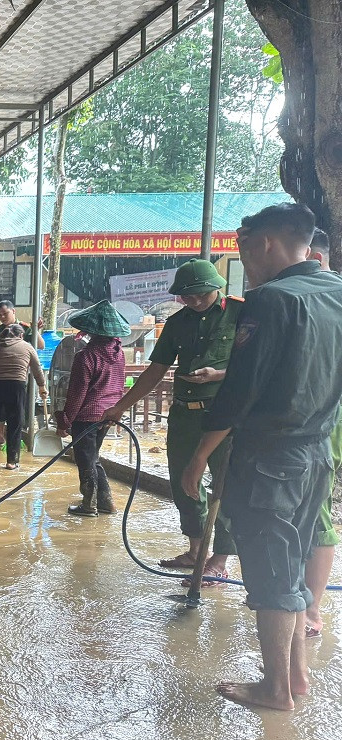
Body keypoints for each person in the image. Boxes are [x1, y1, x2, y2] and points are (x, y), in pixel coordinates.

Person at [180, 203, 342, 710]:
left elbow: (240, 392)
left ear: (265, 243)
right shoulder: (336, 293)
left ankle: (275, 688)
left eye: (245, 249)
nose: (244, 261)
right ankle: (294, 675)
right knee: (291, 563)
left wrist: (198, 456)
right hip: (317, 453)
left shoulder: (268, 300)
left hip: (270, 457)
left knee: (270, 572)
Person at [104, 259, 239, 579]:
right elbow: (154, 372)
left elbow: (258, 365)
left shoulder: (240, 314)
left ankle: (219, 560)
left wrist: (219, 374)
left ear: (216, 287)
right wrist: (120, 406)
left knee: (226, 485)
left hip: (223, 414)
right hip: (183, 415)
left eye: (199, 296)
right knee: (185, 483)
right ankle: (196, 550)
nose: (192, 302)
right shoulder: (178, 323)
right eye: (186, 297)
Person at [54, 300, 128, 516]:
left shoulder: (86, 356)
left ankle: (89, 505)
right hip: (109, 413)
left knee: (85, 460)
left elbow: (77, 394)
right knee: (93, 457)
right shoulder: (119, 353)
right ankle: (106, 502)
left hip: (87, 416)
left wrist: (65, 421)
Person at [304, 228, 341, 639]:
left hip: (327, 414)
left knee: (316, 508)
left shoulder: (325, 296)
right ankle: (297, 595)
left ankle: (312, 608)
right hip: (315, 410)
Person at [0, 323, 46, 472]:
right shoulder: (26, 347)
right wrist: (42, 386)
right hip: (16, 385)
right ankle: (11, 462)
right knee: (15, 423)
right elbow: (37, 368)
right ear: (20, 335)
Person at [0, 300, 43, 446]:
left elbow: (40, 345)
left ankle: (18, 437)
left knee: (19, 408)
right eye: (0, 315)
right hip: (1, 374)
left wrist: (35, 330)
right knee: (0, 407)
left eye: (5, 314)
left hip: (21, 375)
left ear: (13, 311)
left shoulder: (25, 328)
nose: (2, 317)